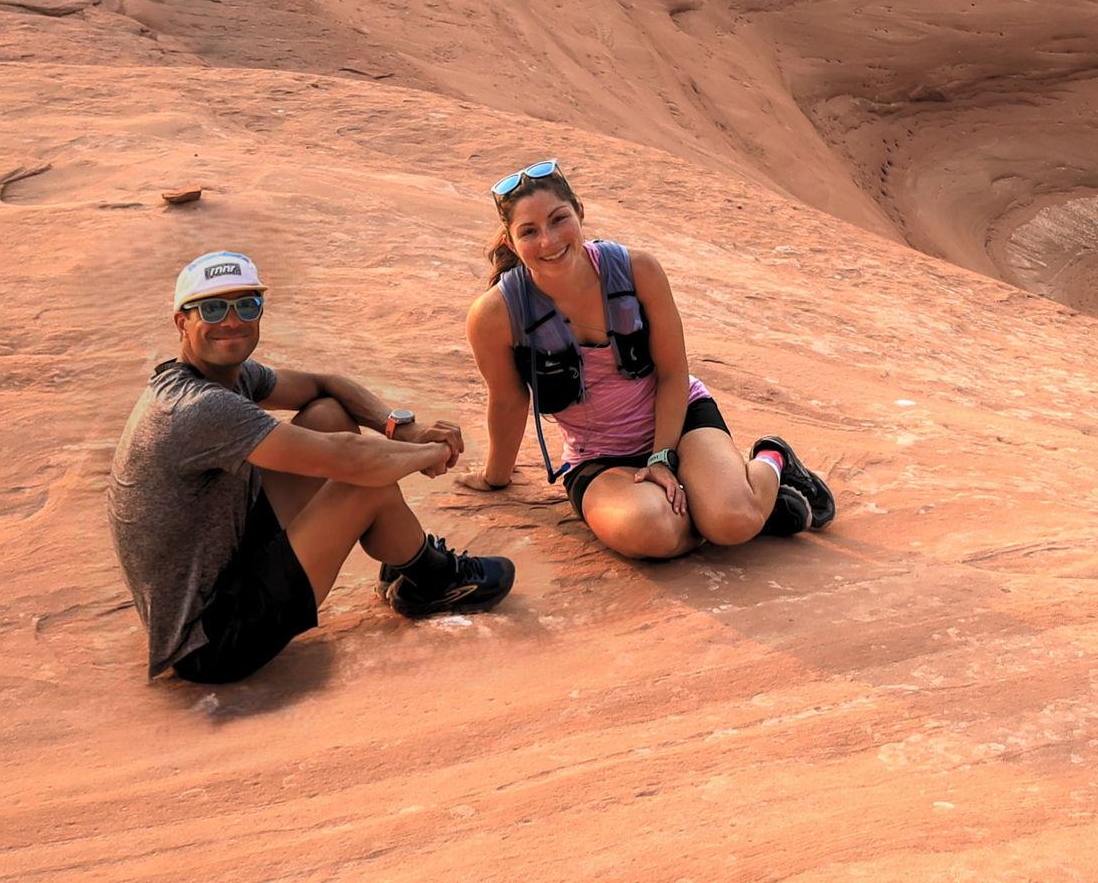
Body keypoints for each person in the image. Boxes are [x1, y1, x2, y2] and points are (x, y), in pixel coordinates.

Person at [110, 249, 514, 684]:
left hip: (227, 566)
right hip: (213, 642)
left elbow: (326, 386)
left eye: (246, 305)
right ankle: (432, 578)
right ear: (181, 322)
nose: (232, 320)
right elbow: (350, 460)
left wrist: (401, 429)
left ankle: (405, 562)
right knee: (364, 483)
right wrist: (433, 454)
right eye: (212, 309)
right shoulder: (198, 407)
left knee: (326, 414)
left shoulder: (225, 377)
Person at [461, 161, 836, 558]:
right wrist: (495, 477)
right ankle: (714, 504)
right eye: (529, 231)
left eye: (558, 220)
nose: (549, 241)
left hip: (679, 421)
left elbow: (674, 373)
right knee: (650, 530)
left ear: (580, 212)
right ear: (510, 242)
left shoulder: (637, 270)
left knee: (734, 520)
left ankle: (772, 460)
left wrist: (661, 457)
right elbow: (508, 400)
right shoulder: (495, 315)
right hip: (599, 458)